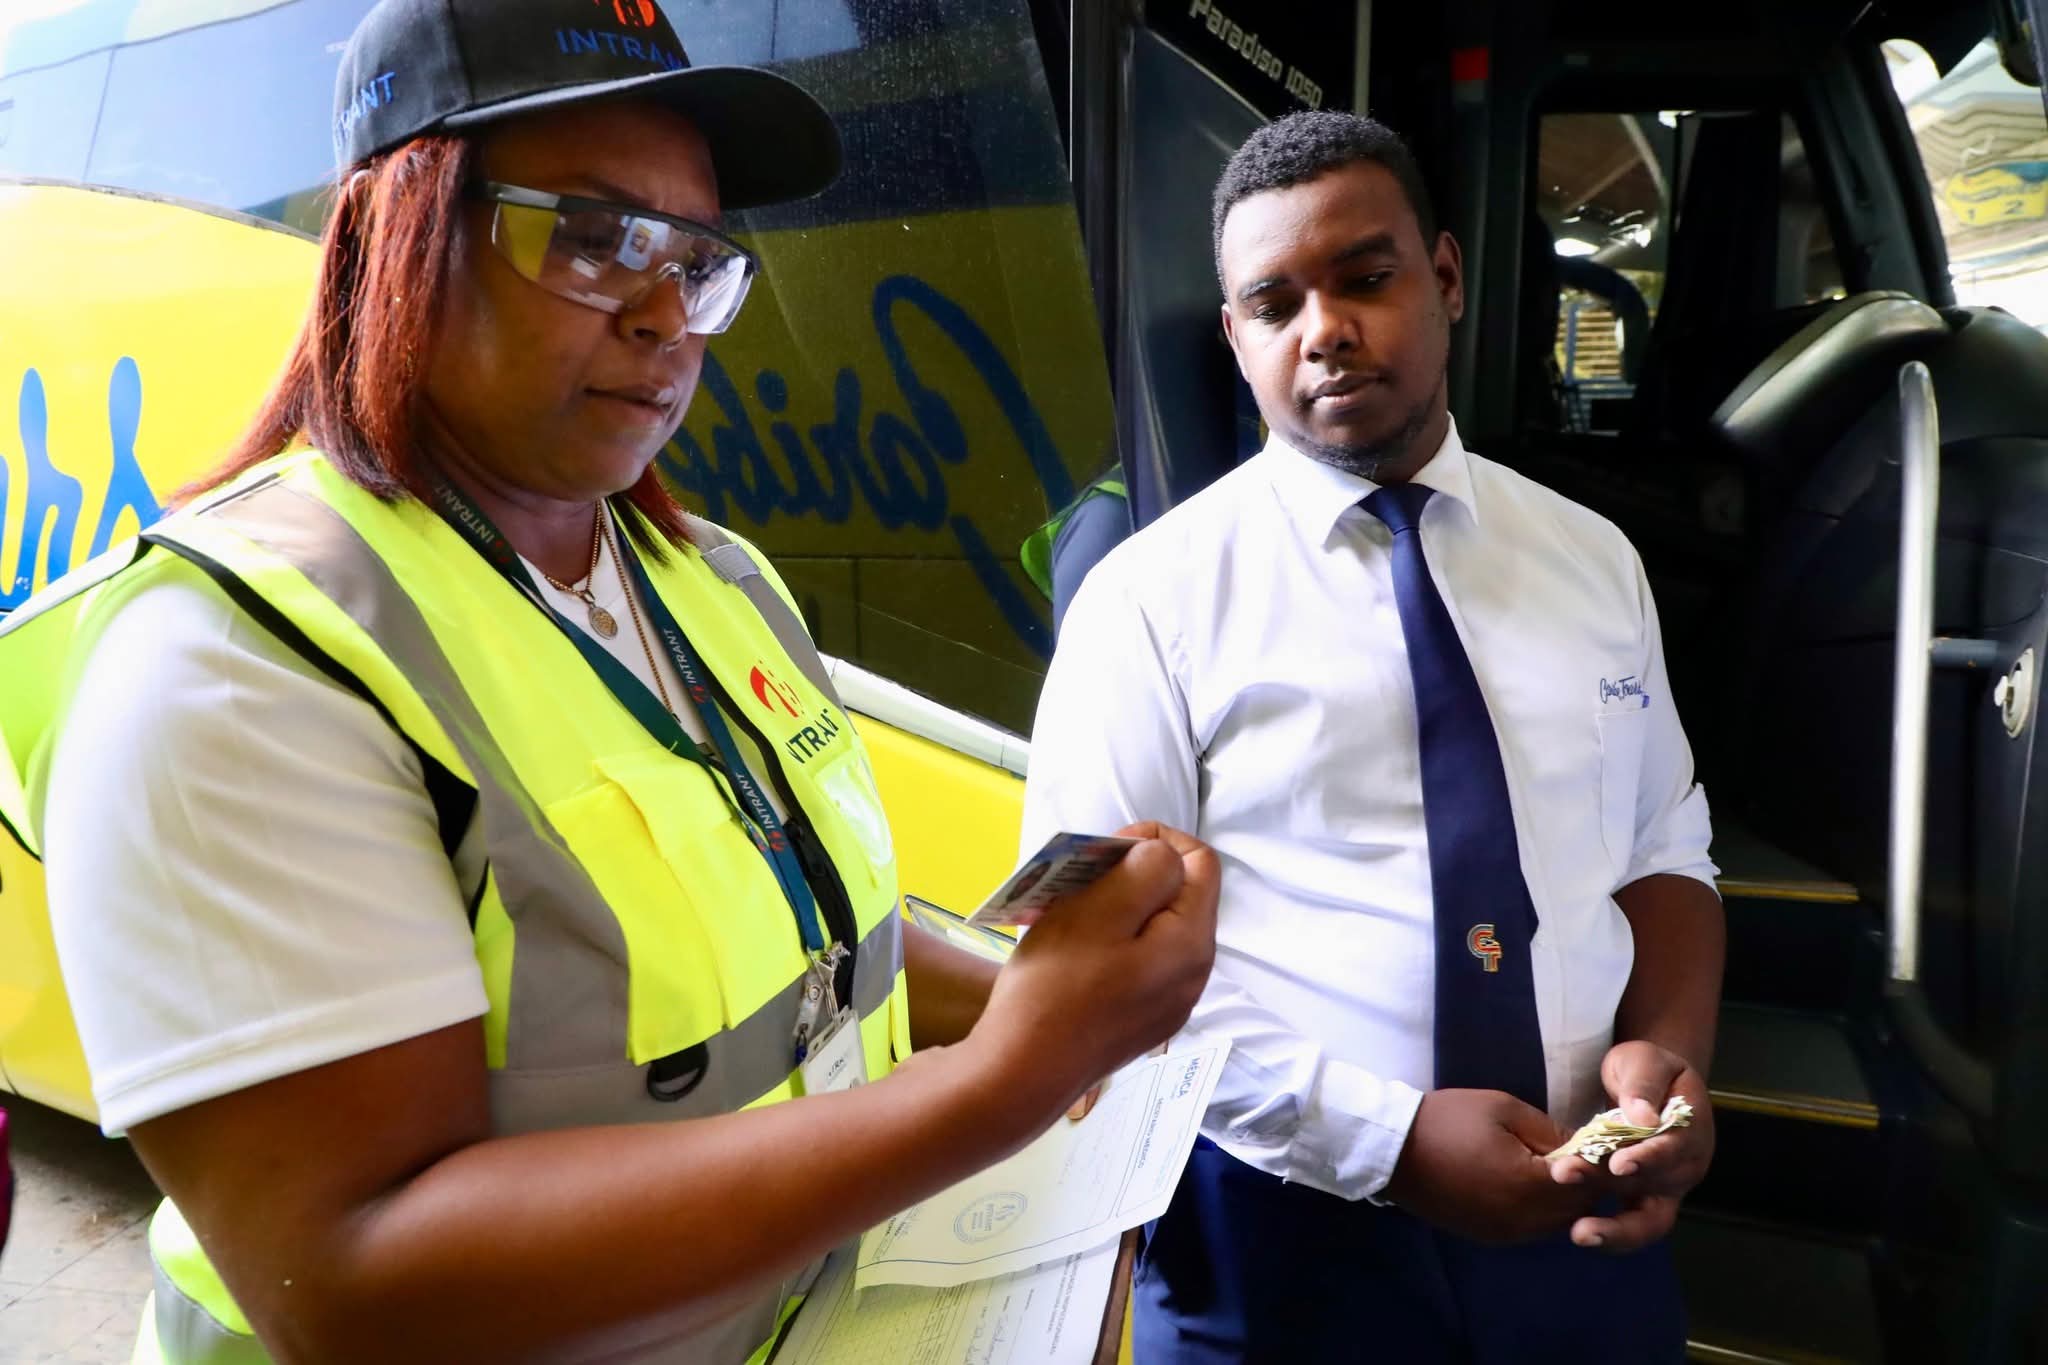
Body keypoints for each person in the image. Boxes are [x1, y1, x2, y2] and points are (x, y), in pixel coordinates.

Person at [0, 2, 1217, 1361]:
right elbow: (353, 1276)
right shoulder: (238, 662)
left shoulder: (712, 580)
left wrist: (1036, 995)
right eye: (591, 238)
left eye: (697, 261)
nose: (665, 314)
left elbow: (812, 933)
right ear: (399, 236)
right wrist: (1004, 1080)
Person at [1021, 110, 1723, 1362]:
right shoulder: (1148, 603)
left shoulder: (1591, 560)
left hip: (1581, 1204)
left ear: (1442, 278)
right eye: (1273, 303)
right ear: (1236, 337)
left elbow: (1661, 850)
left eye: (1364, 278)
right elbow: (1093, 969)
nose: (1324, 329)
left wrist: (1666, 1062)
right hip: (1276, 1236)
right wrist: (1388, 1145)